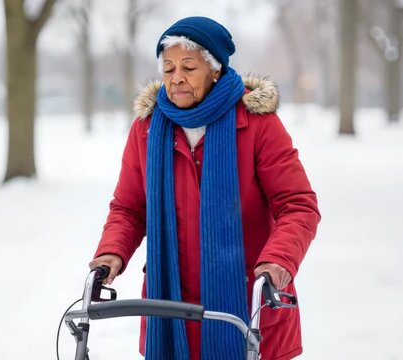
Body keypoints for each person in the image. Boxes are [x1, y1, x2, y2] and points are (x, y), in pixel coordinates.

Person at [88, 16, 320, 360]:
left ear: (215, 69)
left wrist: (278, 261)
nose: (176, 77)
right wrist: (111, 253)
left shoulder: (257, 123)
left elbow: (298, 205)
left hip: (244, 303)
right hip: (169, 307)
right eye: (168, 68)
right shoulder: (147, 129)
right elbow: (129, 206)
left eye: (188, 67)